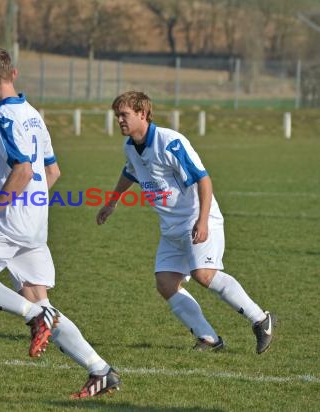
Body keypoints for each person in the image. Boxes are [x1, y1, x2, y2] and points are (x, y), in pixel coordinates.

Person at [0, 47, 120, 399]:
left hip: (10, 222)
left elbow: (24, 170)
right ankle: (100, 370)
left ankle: (33, 317)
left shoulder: (2, 117)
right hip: (34, 223)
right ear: (12, 74)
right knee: (42, 303)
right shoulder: (32, 114)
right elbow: (52, 171)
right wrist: (31, 205)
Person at [96, 91, 276, 354]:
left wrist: (202, 221)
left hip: (197, 218)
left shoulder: (170, 142)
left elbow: (203, 179)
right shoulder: (130, 147)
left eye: (124, 115)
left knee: (203, 274)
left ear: (142, 114)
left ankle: (261, 319)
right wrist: (112, 202)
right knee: (166, 283)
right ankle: (209, 339)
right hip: (171, 227)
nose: (119, 120)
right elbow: (130, 172)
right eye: (117, 116)